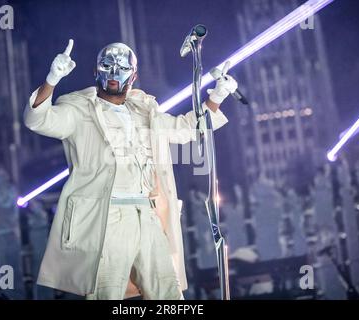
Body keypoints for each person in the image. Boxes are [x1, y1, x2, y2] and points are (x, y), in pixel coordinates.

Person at [23, 39, 238, 300]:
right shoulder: (78, 109)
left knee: (167, 293)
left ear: (133, 75)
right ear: (96, 71)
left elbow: (187, 128)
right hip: (107, 215)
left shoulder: (145, 112)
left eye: (122, 67)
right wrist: (52, 79)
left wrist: (217, 96)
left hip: (146, 214)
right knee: (107, 294)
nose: (114, 73)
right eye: (107, 65)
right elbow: (39, 120)